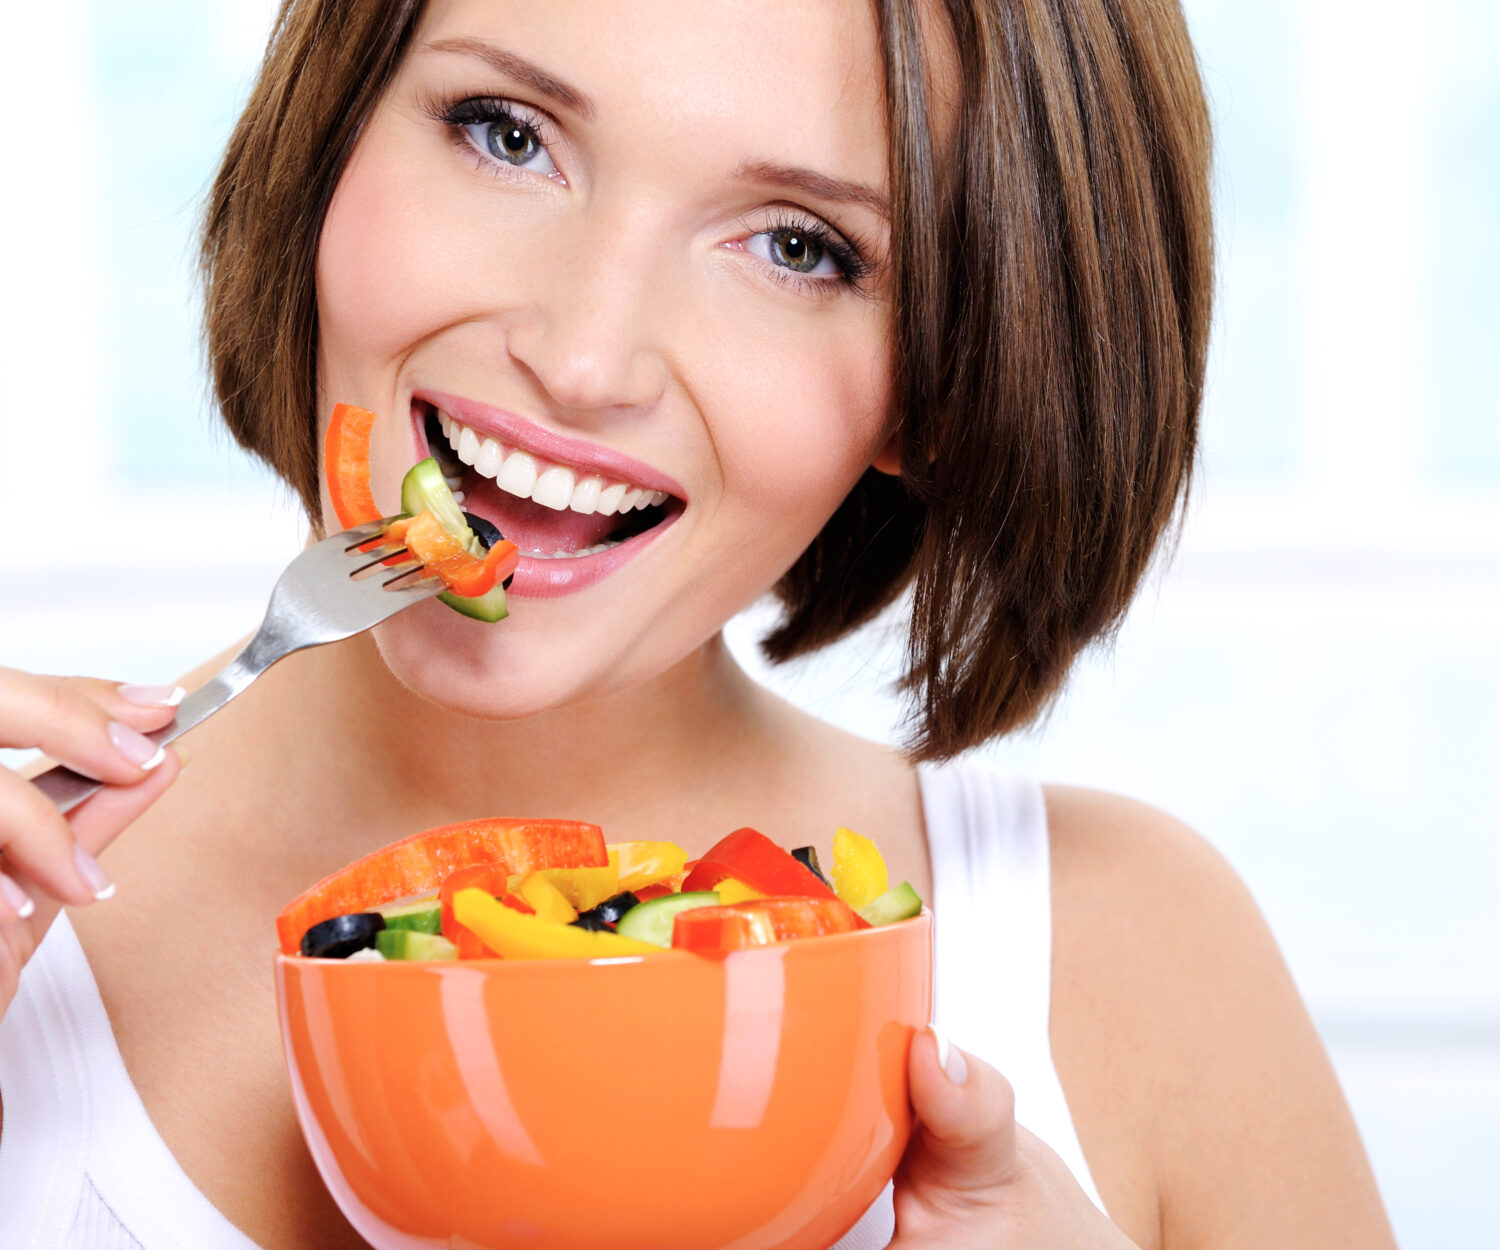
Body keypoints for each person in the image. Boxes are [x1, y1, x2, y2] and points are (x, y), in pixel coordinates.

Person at [0, 0, 1397, 1246]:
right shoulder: (29, 944)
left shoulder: (1136, 966)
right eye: (505, 132)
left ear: (946, 383)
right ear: (333, 140)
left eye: (799, 247)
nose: (585, 358)